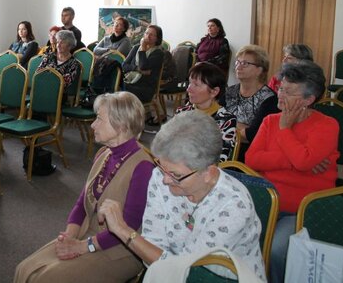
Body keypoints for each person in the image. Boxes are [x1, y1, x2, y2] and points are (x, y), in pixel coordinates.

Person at [97, 111, 266, 282]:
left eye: (175, 174)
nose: (165, 179)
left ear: (209, 172)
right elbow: (154, 246)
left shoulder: (234, 206)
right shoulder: (161, 176)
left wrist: (124, 230)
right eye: (161, 167)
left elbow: (187, 271)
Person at [15, 92, 154, 282]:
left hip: (120, 249)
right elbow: (82, 202)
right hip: (87, 233)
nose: (92, 125)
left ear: (120, 125)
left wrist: (82, 246)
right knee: (24, 270)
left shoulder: (143, 167)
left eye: (99, 119)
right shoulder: (105, 153)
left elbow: (129, 227)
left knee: (45, 279)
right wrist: (69, 236)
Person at [245, 61, 338, 283]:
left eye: (288, 91)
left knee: (277, 250)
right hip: (266, 201)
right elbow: (252, 159)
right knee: (237, 238)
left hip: (301, 208)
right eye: (281, 88)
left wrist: (286, 130)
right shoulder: (270, 121)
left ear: (308, 100)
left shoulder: (327, 125)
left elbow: (304, 161)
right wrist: (293, 161)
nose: (280, 94)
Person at [175, 62, 237, 161]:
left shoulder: (225, 120)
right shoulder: (182, 112)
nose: (188, 89)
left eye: (196, 84)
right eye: (190, 82)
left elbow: (220, 159)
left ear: (214, 92)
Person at [225, 45, 277, 141]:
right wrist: (242, 127)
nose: (238, 67)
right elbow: (216, 122)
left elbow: (253, 134)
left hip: (250, 151)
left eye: (245, 63)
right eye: (238, 62)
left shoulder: (269, 98)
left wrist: (229, 124)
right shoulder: (229, 92)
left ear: (259, 70)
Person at [122, 25, 164, 104]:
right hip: (131, 81)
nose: (148, 36)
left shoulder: (158, 53)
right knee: (115, 85)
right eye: (146, 33)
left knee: (119, 87)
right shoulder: (135, 48)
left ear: (157, 38)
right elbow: (124, 65)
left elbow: (143, 66)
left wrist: (143, 49)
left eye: (151, 34)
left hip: (144, 89)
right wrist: (137, 69)